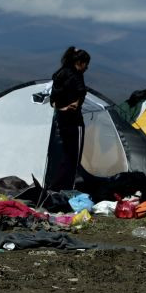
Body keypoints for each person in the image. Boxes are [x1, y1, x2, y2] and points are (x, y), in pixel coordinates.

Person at [46, 46, 90, 194]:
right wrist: (75, 104)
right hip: (73, 121)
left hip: (61, 120)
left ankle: (55, 186)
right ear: (80, 63)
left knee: (62, 154)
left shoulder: (60, 73)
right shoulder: (76, 76)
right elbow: (81, 92)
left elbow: (53, 99)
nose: (87, 68)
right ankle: (66, 187)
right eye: (86, 64)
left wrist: (61, 108)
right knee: (72, 155)